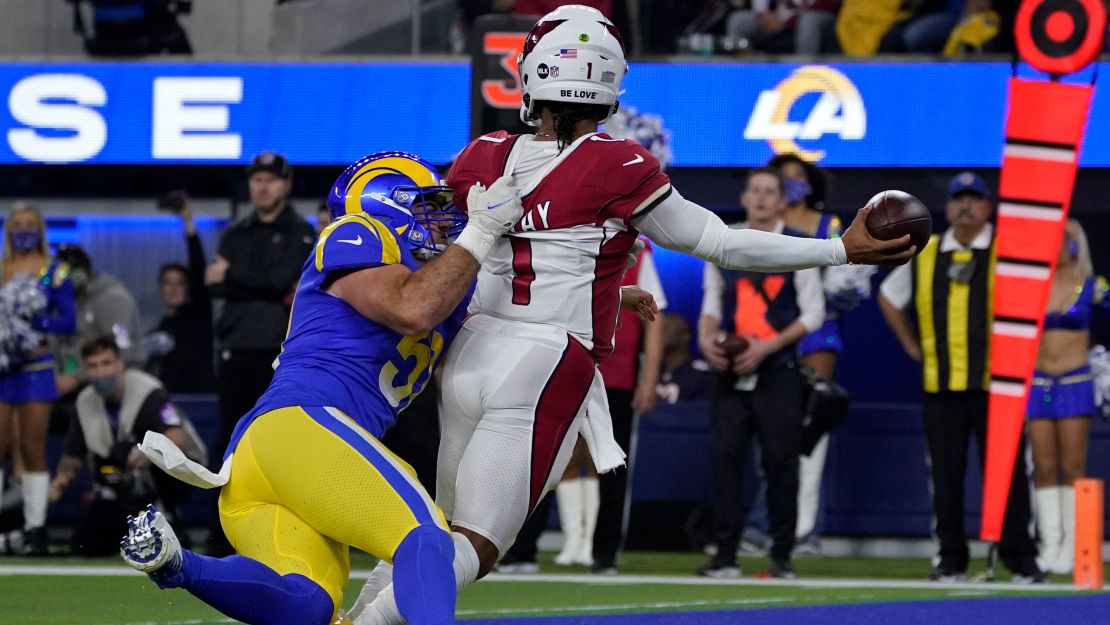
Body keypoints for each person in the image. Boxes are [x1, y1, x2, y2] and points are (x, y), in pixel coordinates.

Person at [348, 7, 913, 623]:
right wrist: (838, 248)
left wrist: (607, 293)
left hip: (470, 355)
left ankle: (352, 617)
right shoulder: (619, 165)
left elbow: (497, 263)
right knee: (477, 546)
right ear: (608, 83)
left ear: (535, 73)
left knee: (436, 525)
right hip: (543, 362)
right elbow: (722, 243)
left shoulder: (482, 155)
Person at [120, 151, 524, 625]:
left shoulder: (441, 290)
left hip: (266, 466)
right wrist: (479, 234)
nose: (441, 222)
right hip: (303, 428)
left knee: (309, 605)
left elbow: (497, 313)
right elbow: (413, 307)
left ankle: (177, 564)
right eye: (426, 206)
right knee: (425, 536)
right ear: (384, 203)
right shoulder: (356, 233)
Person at [878, 171, 1044, 583]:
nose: (965, 207)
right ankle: (950, 559)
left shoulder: (1008, 253)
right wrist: (910, 345)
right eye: (958, 200)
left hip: (997, 387)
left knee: (1008, 476)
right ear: (948, 207)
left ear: (988, 206)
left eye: (974, 199)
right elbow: (888, 296)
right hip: (941, 385)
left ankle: (1020, 559)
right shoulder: (927, 253)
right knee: (946, 477)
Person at [696, 168, 825, 579]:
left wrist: (766, 347)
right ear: (745, 196)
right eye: (756, 191)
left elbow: (814, 312)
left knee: (780, 462)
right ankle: (725, 555)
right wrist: (707, 340)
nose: (763, 198)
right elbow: (712, 303)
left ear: (782, 200)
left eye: (771, 192)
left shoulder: (799, 245)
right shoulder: (723, 240)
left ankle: (782, 556)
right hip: (732, 368)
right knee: (724, 458)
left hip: (778, 369)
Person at [205, 151, 314, 553]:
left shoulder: (301, 232)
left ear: (285, 185)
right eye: (257, 180)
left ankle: (281, 533)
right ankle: (223, 534)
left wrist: (234, 277)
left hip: (275, 351)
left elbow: (281, 279)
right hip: (235, 348)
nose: (262, 187)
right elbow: (214, 285)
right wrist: (254, 285)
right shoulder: (236, 231)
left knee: (276, 443)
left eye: (270, 180)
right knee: (229, 442)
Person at [49, 336, 203, 556]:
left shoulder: (149, 391)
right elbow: (74, 453)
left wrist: (146, 455)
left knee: (131, 452)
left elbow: (178, 439)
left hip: (168, 473)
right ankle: (124, 523)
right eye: (93, 366)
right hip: (118, 478)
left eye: (106, 363)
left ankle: (165, 514)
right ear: (85, 370)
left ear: (120, 364)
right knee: (84, 543)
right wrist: (61, 479)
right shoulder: (85, 401)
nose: (101, 372)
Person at [1028, 219, 1107, 576]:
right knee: (1043, 467)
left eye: (1061, 240)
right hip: (1039, 382)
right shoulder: (1033, 286)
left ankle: (1078, 546)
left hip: (1075, 379)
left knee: (1073, 467)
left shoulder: (1093, 286)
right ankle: (1051, 544)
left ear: (1076, 244)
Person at [0, 202, 76, 555]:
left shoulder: (54, 271)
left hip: (36, 367)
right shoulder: (1, 268)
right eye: (18, 224)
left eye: (31, 224)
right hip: (3, 369)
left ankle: (35, 528)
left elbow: (68, 320)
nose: (24, 230)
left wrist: (32, 326)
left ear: (41, 229)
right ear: (8, 229)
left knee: (33, 447)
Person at [146, 200, 215, 393]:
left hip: (201, 402)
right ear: (160, 288)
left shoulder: (198, 317)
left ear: (188, 288)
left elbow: (199, 270)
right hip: (168, 404)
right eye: (168, 283)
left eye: (179, 283)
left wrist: (189, 224)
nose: (173, 288)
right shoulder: (157, 332)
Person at [656, 313, 715, 405]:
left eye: (667, 328)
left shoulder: (701, 376)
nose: (659, 334)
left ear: (685, 336)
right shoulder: (650, 374)